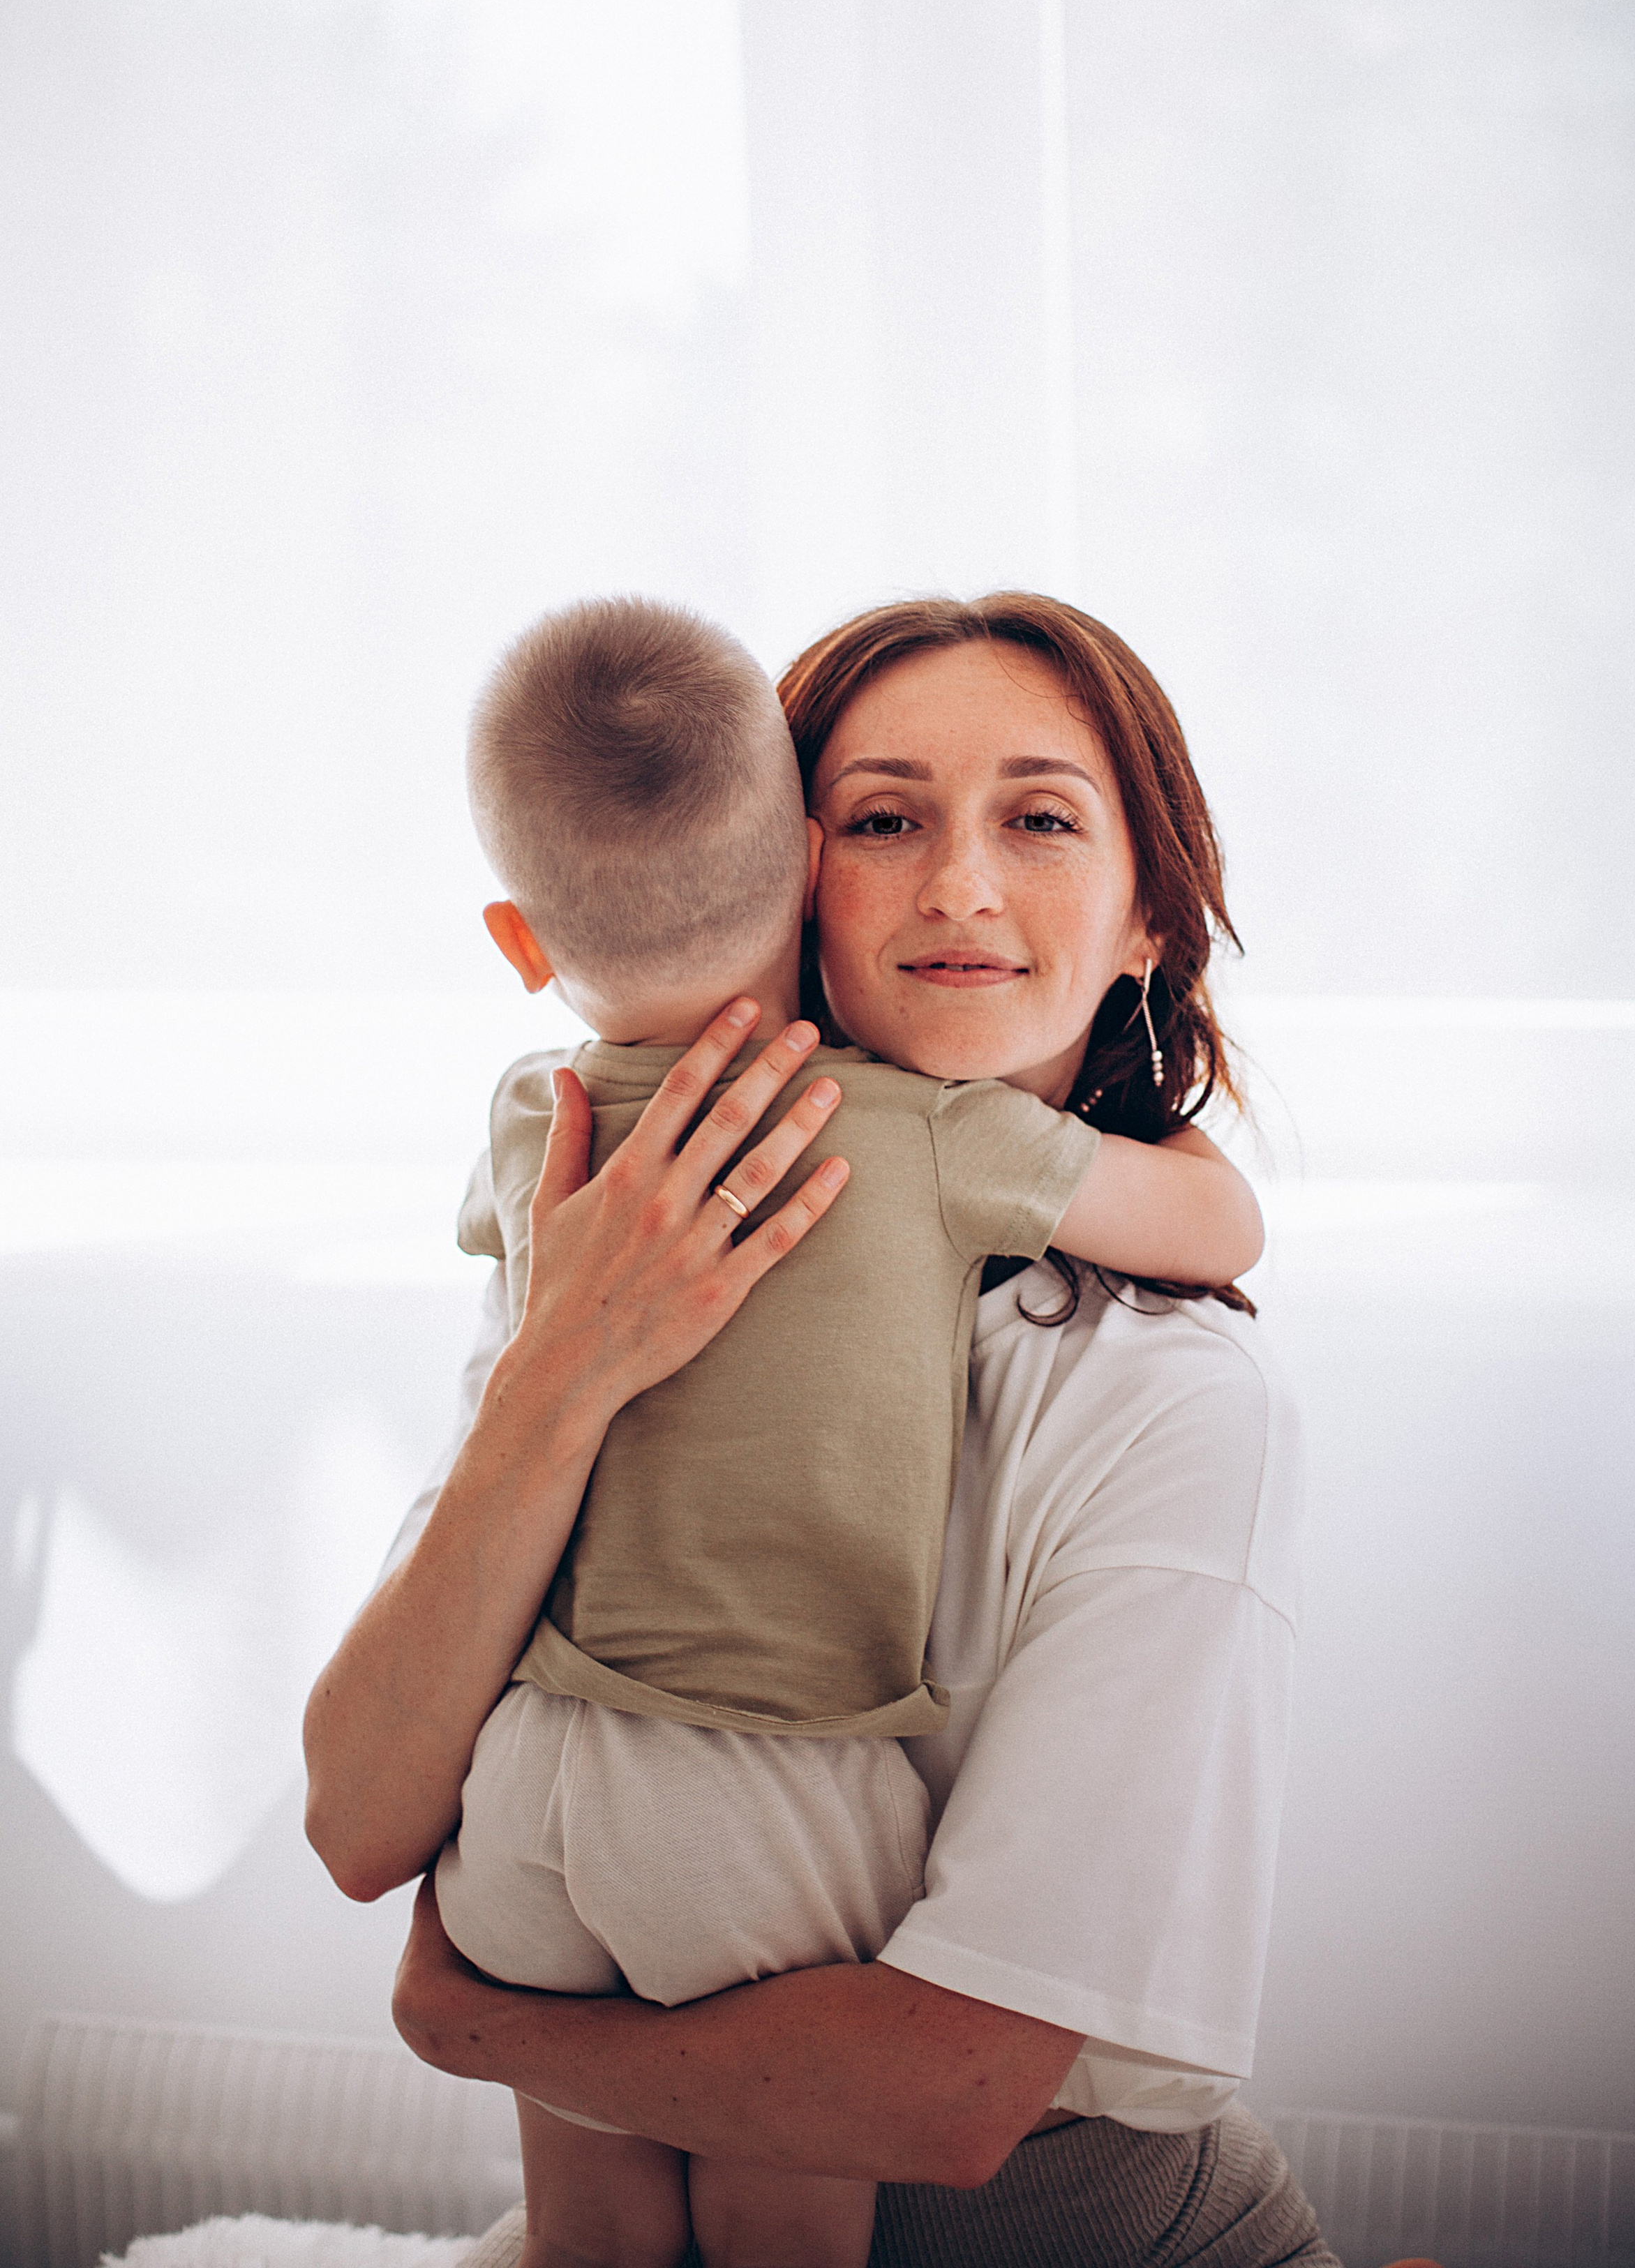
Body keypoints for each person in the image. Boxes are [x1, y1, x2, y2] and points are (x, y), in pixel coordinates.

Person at [304, 592, 1340, 2268]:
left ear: (1147, 918)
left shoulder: (1167, 1402)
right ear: (796, 869)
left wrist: (482, 2028)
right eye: (882, 817)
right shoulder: (607, 1246)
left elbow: (939, 2098)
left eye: (1041, 819)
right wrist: (560, 1375)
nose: (955, 885)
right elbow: (356, 1819)